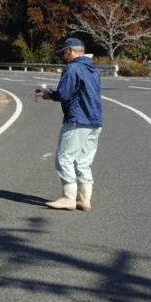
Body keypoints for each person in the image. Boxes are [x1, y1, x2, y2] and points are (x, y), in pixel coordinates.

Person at [34, 37, 102, 211]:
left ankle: (69, 198)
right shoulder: (92, 69)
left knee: (64, 157)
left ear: (70, 51)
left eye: (64, 53)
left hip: (78, 119)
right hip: (95, 120)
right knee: (83, 161)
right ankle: (84, 200)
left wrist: (49, 94)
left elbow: (64, 93)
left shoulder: (73, 68)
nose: (64, 56)